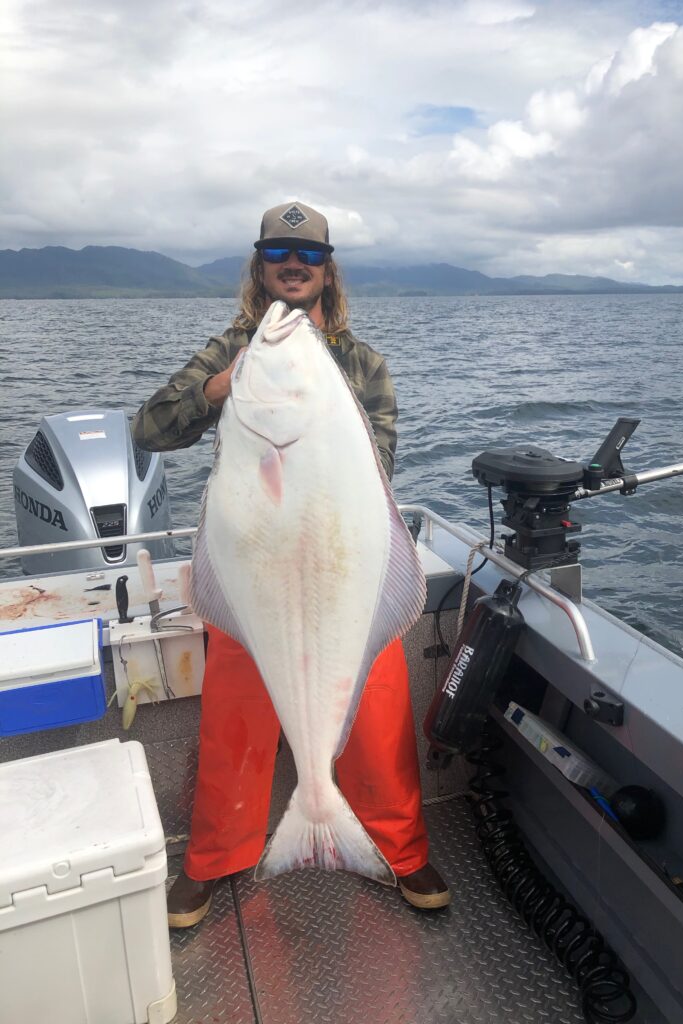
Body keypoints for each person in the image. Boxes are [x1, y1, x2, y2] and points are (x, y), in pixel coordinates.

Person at [132, 201, 450, 928]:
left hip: (340, 570)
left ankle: (399, 851)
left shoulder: (364, 363)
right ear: (260, 264)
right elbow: (149, 428)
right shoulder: (229, 350)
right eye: (278, 252)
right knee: (233, 725)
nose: (293, 265)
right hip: (257, 573)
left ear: (327, 269)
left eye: (307, 255)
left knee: (379, 722)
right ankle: (212, 861)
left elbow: (383, 469)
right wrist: (222, 387)